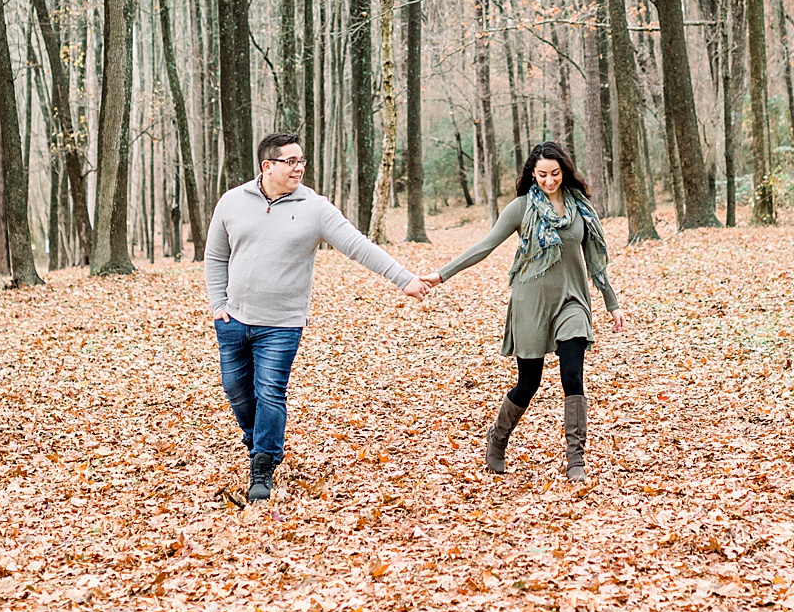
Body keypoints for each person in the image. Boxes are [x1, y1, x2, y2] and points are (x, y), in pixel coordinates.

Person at [205, 131, 436, 502]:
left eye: (301, 161)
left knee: (270, 392)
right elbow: (216, 257)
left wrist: (404, 279)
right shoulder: (232, 202)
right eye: (290, 161)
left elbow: (358, 246)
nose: (299, 168)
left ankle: (263, 464)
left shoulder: (315, 208)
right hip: (233, 319)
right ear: (267, 166)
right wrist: (218, 305)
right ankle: (259, 438)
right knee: (235, 390)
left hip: (282, 324)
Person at [435, 141, 624, 483]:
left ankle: (576, 459)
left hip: (573, 301)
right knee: (529, 382)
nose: (549, 181)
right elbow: (485, 245)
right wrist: (441, 274)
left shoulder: (579, 208)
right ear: (532, 174)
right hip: (531, 302)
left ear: (564, 171)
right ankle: (498, 437)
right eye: (542, 175)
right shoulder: (522, 208)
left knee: (573, 376)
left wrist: (612, 303)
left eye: (555, 174)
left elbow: (595, 260)